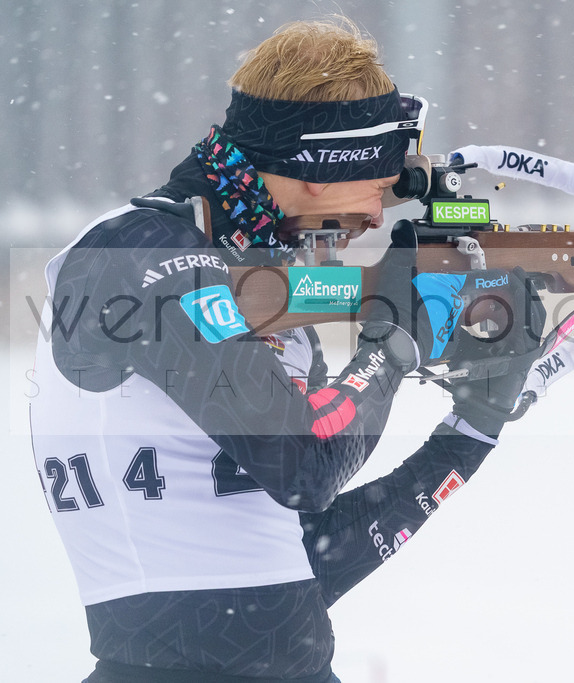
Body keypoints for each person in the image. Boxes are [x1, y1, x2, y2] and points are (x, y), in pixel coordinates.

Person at [30, 18, 543, 682]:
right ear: (320, 168)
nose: (378, 214)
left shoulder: (281, 317)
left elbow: (303, 563)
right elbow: (303, 461)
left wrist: (469, 432)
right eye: (380, 181)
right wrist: (395, 339)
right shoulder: (129, 252)